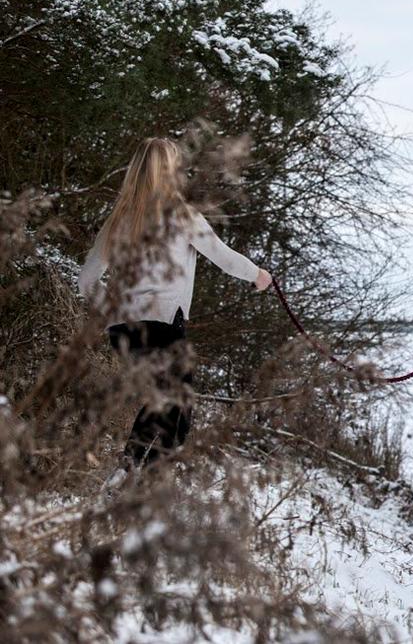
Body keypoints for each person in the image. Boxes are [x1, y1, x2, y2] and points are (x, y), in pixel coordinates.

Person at [79, 137, 272, 482]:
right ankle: (131, 477)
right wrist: (258, 275)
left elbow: (87, 281)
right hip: (164, 326)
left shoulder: (118, 220)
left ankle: (139, 482)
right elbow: (224, 257)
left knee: (168, 405)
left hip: (123, 330)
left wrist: (113, 311)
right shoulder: (181, 215)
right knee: (176, 409)